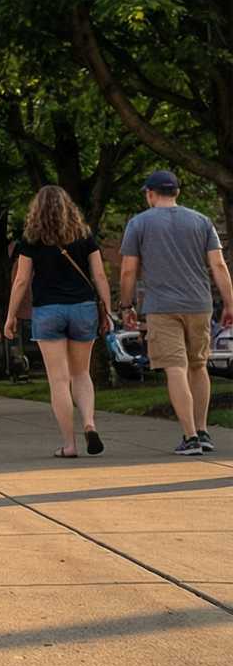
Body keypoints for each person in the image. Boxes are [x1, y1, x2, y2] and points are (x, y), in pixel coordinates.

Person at [118, 169, 233, 456]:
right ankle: (204, 430)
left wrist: (126, 305)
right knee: (198, 366)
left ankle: (190, 437)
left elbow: (129, 269)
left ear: (151, 193)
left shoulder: (138, 224)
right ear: (177, 193)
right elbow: (218, 265)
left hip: (161, 307)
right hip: (199, 304)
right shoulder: (201, 221)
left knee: (175, 368)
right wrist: (230, 303)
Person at [2, 186, 112, 457]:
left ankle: (69, 444)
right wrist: (107, 310)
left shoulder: (30, 239)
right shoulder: (84, 235)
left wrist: (10, 316)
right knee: (81, 374)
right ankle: (89, 422)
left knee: (59, 380)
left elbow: (21, 280)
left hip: (48, 310)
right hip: (83, 308)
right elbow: (99, 275)